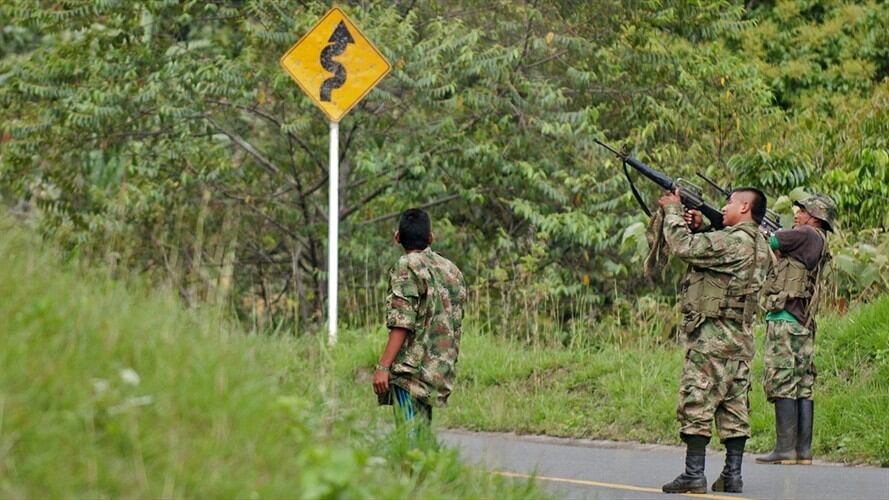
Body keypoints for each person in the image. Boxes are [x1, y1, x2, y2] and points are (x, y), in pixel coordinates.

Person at [658, 188, 772, 494]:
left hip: (712, 339)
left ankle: (694, 474)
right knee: (735, 409)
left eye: (731, 202)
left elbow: (683, 247)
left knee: (697, 401)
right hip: (741, 341)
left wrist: (672, 210)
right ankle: (732, 475)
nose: (724, 207)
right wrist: (704, 226)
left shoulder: (733, 241)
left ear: (745, 207)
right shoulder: (762, 245)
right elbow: (718, 255)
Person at [371, 208, 466, 440]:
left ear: (397, 237)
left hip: (409, 372)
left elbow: (402, 322)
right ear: (430, 238)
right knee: (422, 434)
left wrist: (383, 367)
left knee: (408, 439)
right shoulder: (451, 270)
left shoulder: (406, 266)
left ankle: (409, 477)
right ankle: (425, 475)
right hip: (438, 369)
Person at [757, 194, 836, 466]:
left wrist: (761, 227)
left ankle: (784, 449)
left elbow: (773, 240)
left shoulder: (804, 233)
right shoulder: (820, 240)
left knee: (782, 380)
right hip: (804, 322)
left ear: (814, 215)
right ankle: (802, 451)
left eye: (801, 211)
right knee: (803, 384)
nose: (797, 215)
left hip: (786, 316)